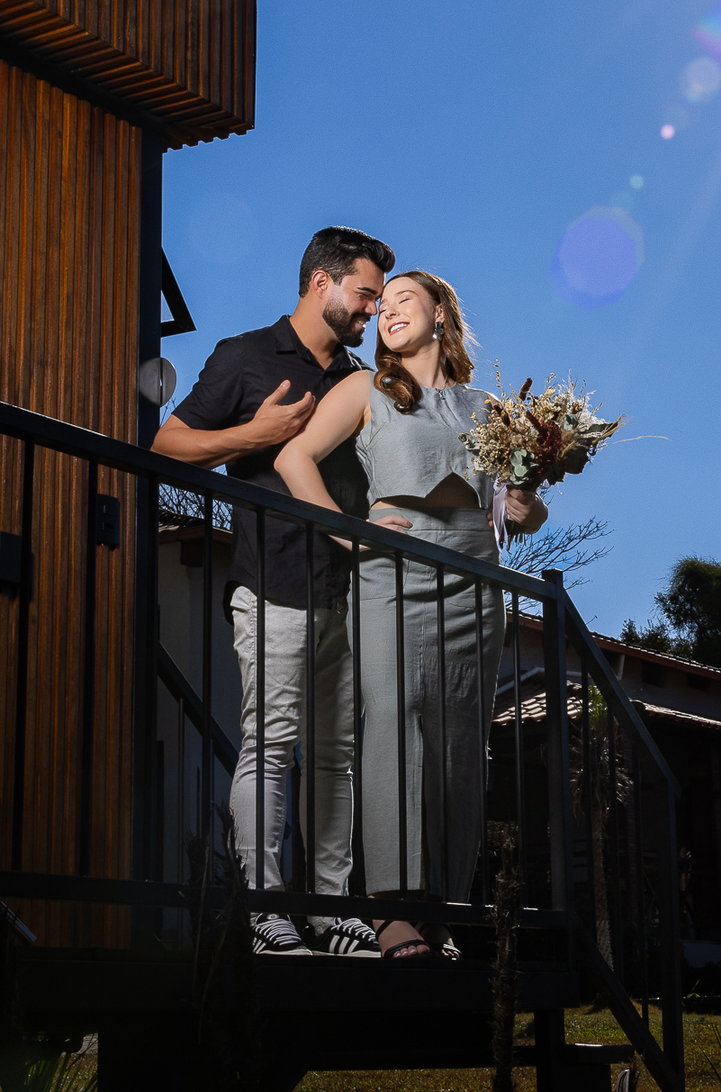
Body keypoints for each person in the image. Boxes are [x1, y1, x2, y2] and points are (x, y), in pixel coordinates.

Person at [275, 270, 547, 963]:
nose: (388, 311)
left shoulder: (488, 408)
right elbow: (293, 456)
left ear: (440, 315)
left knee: (462, 739)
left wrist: (526, 495)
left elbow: (520, 513)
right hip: (393, 569)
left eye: (405, 301)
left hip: (475, 575)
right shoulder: (365, 388)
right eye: (382, 305)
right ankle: (391, 908)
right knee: (395, 721)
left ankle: (443, 907)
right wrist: (349, 533)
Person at [152, 224, 395, 958]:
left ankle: (330, 912)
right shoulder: (245, 356)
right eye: (365, 294)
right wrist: (255, 435)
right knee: (270, 744)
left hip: (345, 595)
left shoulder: (359, 377)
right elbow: (167, 446)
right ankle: (263, 908)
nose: (374, 309)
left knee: (335, 757)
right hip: (272, 584)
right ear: (322, 283)